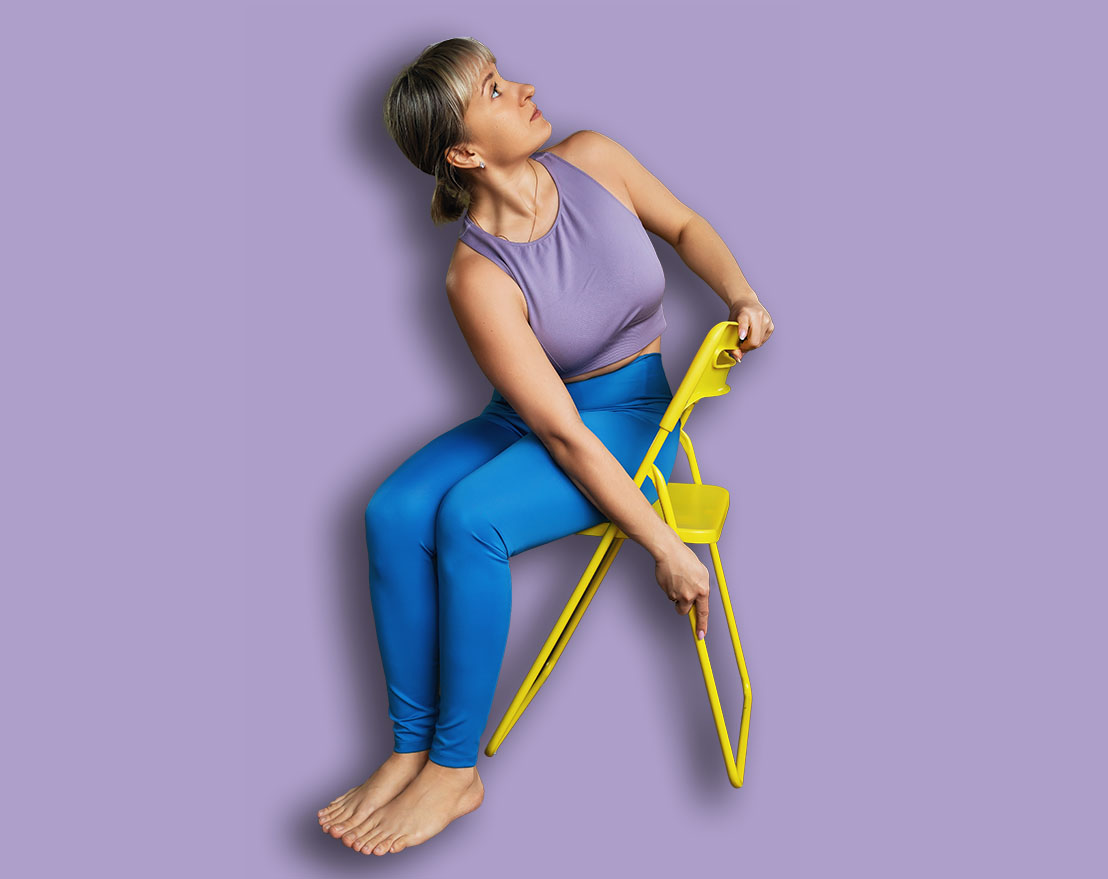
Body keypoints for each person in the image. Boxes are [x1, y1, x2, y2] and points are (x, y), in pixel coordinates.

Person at [317, 37, 774, 856]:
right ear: (463, 151)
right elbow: (555, 426)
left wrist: (739, 291)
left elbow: (685, 223)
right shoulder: (475, 276)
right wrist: (663, 544)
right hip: (544, 417)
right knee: (392, 512)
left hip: (636, 420)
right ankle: (409, 749)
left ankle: (455, 771)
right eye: (495, 89)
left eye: (504, 74)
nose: (523, 88)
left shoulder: (593, 159)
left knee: (470, 521)